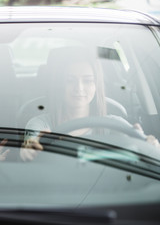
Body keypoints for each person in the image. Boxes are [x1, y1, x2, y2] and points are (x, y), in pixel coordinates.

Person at [20, 46, 159, 161]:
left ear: (96, 85)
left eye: (87, 81)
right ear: (60, 84)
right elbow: (30, 147)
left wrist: (148, 146)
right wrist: (30, 151)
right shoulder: (40, 125)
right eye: (70, 80)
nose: (79, 88)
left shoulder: (116, 125)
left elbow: (144, 155)